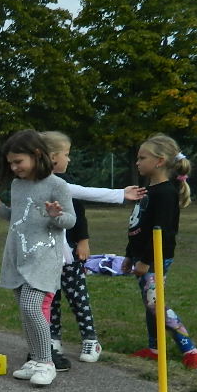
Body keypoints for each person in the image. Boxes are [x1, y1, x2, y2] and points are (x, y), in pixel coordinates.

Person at [40, 131, 146, 368]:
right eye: (66, 154)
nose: (69, 159)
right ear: (52, 157)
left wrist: (120, 195)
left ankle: (90, 339)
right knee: (51, 298)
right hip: (45, 255)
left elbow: (83, 196)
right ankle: (53, 338)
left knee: (77, 297)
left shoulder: (61, 183)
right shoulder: (32, 183)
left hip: (68, 254)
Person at [0, 129, 75, 387]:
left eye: (18, 161)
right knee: (25, 311)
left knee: (32, 307)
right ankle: (34, 360)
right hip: (18, 255)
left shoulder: (57, 185)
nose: (14, 167)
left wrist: (56, 215)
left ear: (37, 154)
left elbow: (70, 220)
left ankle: (46, 362)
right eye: (10, 163)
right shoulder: (17, 185)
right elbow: (18, 217)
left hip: (44, 257)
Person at [122, 133, 197, 370]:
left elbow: (163, 232)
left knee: (155, 304)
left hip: (156, 258)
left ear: (159, 161)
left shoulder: (166, 193)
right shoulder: (147, 191)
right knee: (150, 304)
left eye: (142, 158)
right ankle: (155, 348)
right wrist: (130, 255)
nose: (137, 162)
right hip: (142, 257)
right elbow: (137, 225)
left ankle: (192, 352)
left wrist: (147, 261)